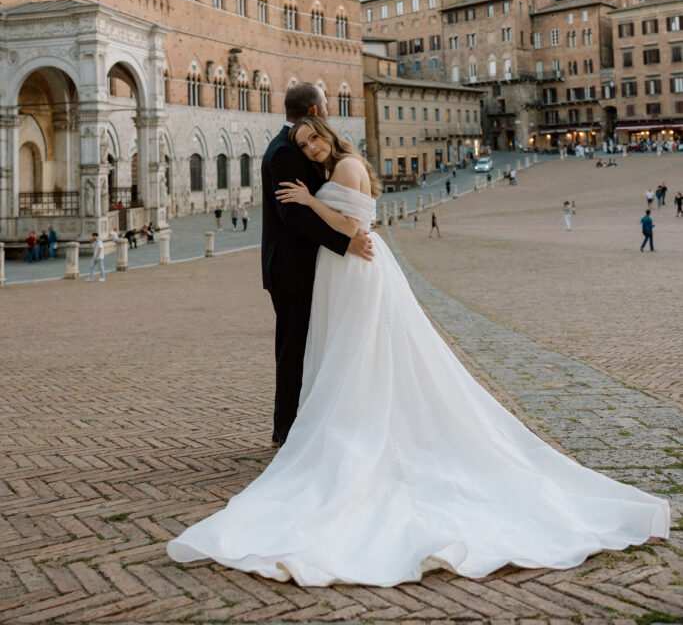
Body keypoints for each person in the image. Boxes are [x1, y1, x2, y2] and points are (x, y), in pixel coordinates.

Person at [167, 115, 669, 585]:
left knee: (361, 353)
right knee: (359, 354)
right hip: (351, 269)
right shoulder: (340, 164)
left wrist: (307, 199)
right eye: (303, 146)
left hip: (355, 265)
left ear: (326, 130)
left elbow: (350, 229)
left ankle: (365, 434)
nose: (311, 148)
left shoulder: (343, 165)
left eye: (314, 139)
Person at [259, 83, 372, 449]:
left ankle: (295, 426)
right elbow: (293, 216)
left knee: (306, 346)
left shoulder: (294, 148)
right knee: (294, 349)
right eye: (325, 105)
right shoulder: (284, 154)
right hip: (293, 269)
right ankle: (286, 430)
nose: (328, 110)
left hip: (303, 267)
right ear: (313, 112)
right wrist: (346, 242)